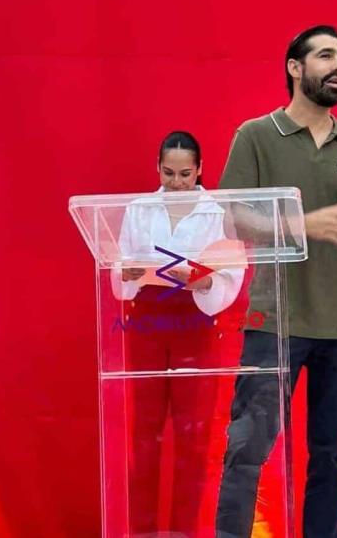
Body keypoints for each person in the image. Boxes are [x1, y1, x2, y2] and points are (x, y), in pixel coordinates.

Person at [215, 25, 337, 538]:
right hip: (277, 319)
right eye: (327, 56)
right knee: (248, 448)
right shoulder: (257, 135)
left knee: (329, 458)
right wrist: (302, 223)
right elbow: (230, 217)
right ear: (295, 67)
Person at [111, 131, 243, 536]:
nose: (177, 182)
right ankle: (142, 530)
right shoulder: (138, 208)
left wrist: (202, 282)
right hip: (147, 323)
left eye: (186, 174)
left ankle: (187, 530)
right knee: (143, 434)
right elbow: (118, 268)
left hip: (196, 324)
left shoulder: (216, 211)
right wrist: (127, 272)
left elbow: (233, 270)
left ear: (200, 170)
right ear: (158, 168)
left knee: (194, 434)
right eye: (169, 173)